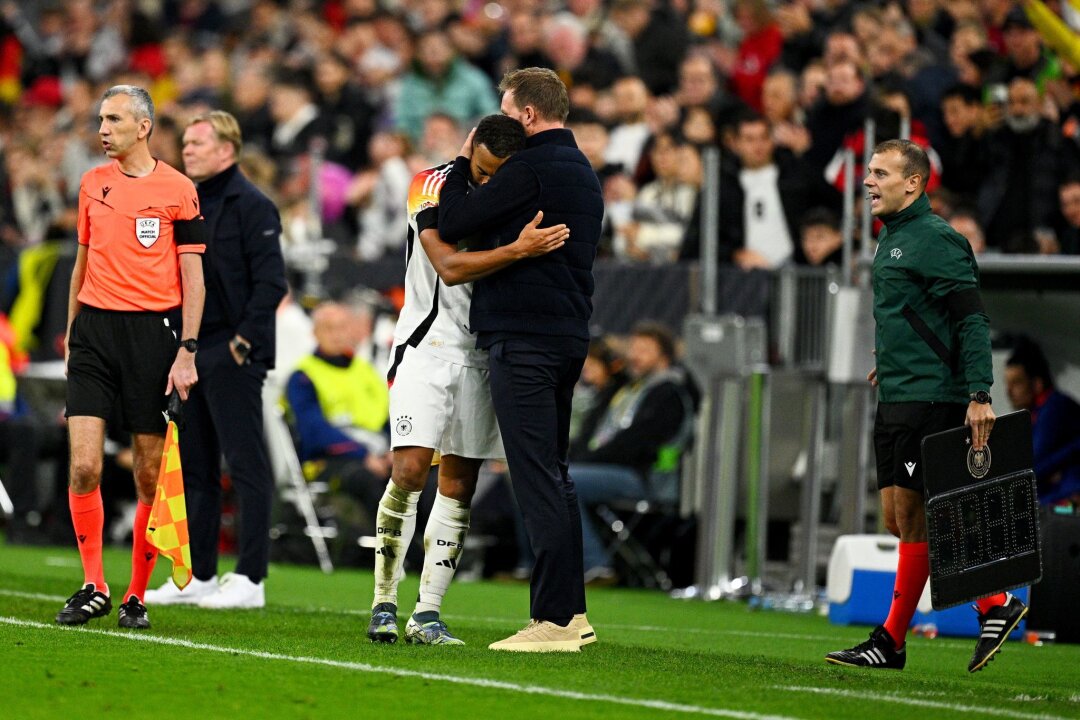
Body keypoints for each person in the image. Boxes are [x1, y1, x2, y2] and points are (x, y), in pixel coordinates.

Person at [367, 114, 569, 646]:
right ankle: (383, 602)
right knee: (410, 470)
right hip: (425, 348)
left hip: (482, 355)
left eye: (496, 175)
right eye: (479, 170)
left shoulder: (516, 196)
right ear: (468, 150)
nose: (484, 183)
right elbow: (449, 266)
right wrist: (518, 250)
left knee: (459, 485)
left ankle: (427, 612)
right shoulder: (429, 184)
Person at [826, 139, 1026, 673]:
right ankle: (994, 602)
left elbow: (970, 319)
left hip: (931, 398)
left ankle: (891, 640)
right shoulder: (891, 238)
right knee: (897, 519)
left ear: (914, 183)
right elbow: (914, 314)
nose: (868, 182)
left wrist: (980, 394)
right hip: (897, 390)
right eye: (868, 172)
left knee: (916, 517)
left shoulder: (937, 240)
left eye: (880, 173)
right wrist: (891, 357)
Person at [436, 67, 604, 652]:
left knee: (534, 475)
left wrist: (463, 159)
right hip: (564, 336)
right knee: (554, 473)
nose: (502, 121)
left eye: (506, 111)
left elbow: (454, 220)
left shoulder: (531, 166)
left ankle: (553, 619)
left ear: (527, 115)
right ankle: (572, 613)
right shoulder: (581, 169)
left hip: (525, 337)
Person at [56, 85, 206, 630]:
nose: (102, 129)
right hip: (95, 331)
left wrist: (187, 349)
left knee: (148, 475)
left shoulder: (179, 190)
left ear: (143, 127)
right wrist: (73, 331)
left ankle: (135, 596)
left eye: (114, 119)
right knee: (83, 465)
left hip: (154, 337)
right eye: (100, 119)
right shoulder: (91, 184)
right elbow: (82, 261)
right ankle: (93, 583)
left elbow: (193, 276)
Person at [145, 110, 286, 609]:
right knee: (195, 467)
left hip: (232, 352)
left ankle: (250, 577)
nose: (188, 150)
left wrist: (240, 346)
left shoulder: (253, 205)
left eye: (199, 143)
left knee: (246, 465)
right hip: (190, 350)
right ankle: (199, 574)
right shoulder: (184, 203)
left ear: (227, 150)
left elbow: (272, 283)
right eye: (185, 142)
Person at [570, 322, 692, 581]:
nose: (634, 355)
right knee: (538, 477)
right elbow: (593, 434)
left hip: (645, 478)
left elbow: (633, 445)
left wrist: (583, 461)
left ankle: (595, 565)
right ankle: (535, 564)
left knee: (563, 481)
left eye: (644, 350)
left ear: (664, 356)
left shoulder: (669, 393)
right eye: (633, 349)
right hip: (612, 470)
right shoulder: (629, 390)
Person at [284, 302, 392, 518]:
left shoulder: (365, 370)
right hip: (328, 460)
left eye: (342, 327)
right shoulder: (303, 376)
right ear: (314, 333)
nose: (337, 334)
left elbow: (389, 416)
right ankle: (402, 549)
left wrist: (395, 452)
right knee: (367, 481)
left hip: (380, 454)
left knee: (421, 478)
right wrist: (364, 455)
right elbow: (314, 431)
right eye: (329, 328)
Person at [1004, 337, 1080, 504]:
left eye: (1016, 383)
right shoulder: (1033, 416)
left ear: (1037, 384)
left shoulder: (1055, 407)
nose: (1008, 391)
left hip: (1070, 496)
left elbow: (1033, 467)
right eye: (1007, 384)